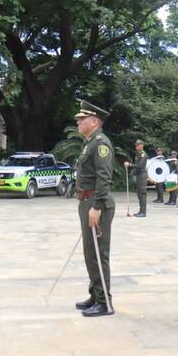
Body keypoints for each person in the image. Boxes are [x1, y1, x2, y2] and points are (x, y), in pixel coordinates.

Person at [72, 100, 116, 317]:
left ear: (95, 121)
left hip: (97, 202)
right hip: (86, 201)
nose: (78, 121)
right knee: (90, 253)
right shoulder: (90, 143)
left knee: (99, 252)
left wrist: (97, 206)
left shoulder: (100, 143)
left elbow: (104, 177)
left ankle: (104, 301)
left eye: (82, 118)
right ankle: (95, 294)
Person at [125, 140, 148, 217]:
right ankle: (141, 211)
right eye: (136, 145)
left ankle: (143, 212)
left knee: (142, 194)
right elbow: (136, 166)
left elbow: (140, 165)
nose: (136, 147)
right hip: (138, 175)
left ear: (142, 145)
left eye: (138, 145)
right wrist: (132, 172)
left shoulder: (143, 155)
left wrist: (130, 164)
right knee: (139, 194)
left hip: (142, 175)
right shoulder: (138, 154)